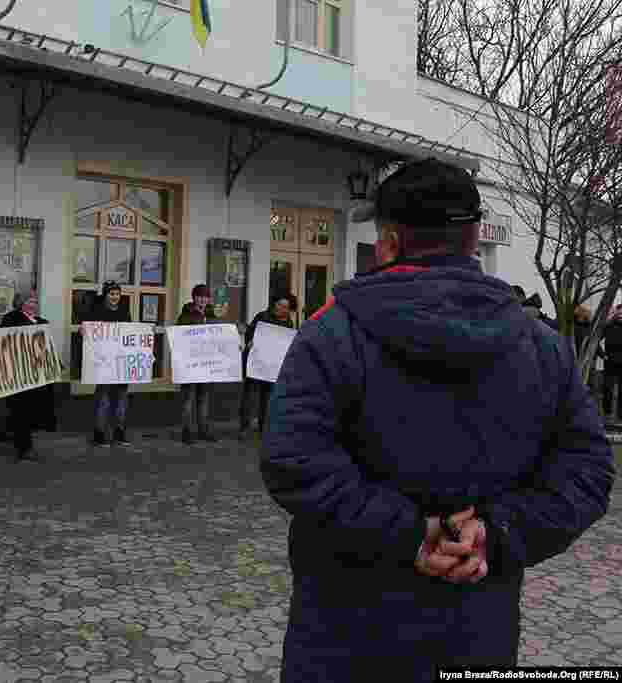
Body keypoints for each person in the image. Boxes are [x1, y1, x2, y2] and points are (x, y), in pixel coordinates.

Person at [261, 158, 614, 681]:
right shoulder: (542, 345)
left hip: (341, 636)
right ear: (473, 240)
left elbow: (293, 461)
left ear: (389, 243)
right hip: (477, 631)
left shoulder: (330, 334)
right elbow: (587, 471)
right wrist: (494, 534)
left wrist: (411, 534)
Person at [0, 289, 54, 462]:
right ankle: (24, 446)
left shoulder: (41, 321)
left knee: (27, 409)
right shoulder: (11, 319)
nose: (33, 304)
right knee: (20, 408)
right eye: (29, 301)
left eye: (35, 302)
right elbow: (5, 340)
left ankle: (15, 434)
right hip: (18, 371)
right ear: (20, 303)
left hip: (35, 373)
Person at [82, 281, 132, 446]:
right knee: (103, 398)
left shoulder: (124, 311)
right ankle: (99, 433)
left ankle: (119, 431)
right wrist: (84, 330)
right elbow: (87, 331)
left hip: (120, 362)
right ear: (105, 295)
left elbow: (130, 332)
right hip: (102, 363)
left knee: (122, 399)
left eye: (117, 294)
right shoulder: (96, 311)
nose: (115, 297)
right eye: (111, 294)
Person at [240, 294, 295, 434]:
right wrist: (250, 341)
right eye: (279, 304)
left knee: (267, 396)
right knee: (249, 395)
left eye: (285, 306)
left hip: (271, 367)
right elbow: (249, 333)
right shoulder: (262, 316)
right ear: (274, 304)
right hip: (255, 362)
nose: (281, 308)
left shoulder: (288, 322)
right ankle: (244, 426)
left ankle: (263, 426)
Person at [176, 283, 219, 444]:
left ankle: (203, 430)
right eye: (199, 296)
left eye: (205, 297)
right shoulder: (186, 315)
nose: (202, 300)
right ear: (194, 298)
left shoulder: (212, 316)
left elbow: (219, 336)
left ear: (209, 299)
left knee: (203, 398)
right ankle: (186, 431)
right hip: (190, 364)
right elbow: (179, 337)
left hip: (207, 365)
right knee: (188, 399)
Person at [602, 305, 622, 421]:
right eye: (618, 313)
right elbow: (596, 338)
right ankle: (607, 414)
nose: (620, 316)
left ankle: (620, 416)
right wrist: (602, 355)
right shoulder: (608, 327)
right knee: (607, 389)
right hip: (609, 362)